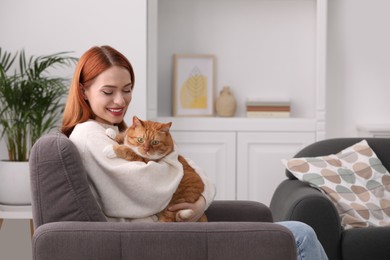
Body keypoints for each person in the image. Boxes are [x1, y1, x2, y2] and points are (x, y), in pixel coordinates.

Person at [61, 45, 328, 259]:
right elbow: (151, 187)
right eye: (108, 92)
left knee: (299, 232)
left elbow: (186, 170)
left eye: (127, 90)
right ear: (84, 91)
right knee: (300, 234)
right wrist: (187, 177)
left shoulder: (118, 131)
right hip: (157, 239)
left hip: (175, 229)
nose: (120, 101)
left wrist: (200, 198)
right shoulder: (89, 136)